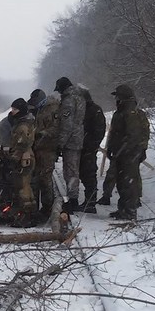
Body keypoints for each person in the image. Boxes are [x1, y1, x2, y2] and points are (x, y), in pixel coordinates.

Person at [106, 84, 150, 220]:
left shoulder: (131, 113)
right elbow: (114, 134)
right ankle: (123, 208)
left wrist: (122, 150)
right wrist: (110, 149)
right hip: (121, 153)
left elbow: (133, 135)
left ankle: (130, 211)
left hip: (130, 154)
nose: (116, 99)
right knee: (121, 182)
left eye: (118, 96)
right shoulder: (119, 113)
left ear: (123, 97)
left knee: (129, 182)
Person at [55, 77, 86, 214]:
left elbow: (66, 125)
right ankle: (73, 199)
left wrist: (60, 143)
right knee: (73, 170)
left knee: (70, 171)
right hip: (78, 138)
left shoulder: (68, 101)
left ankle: (72, 201)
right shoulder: (80, 97)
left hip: (70, 140)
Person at [28, 89, 60, 219]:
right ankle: (33, 206)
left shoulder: (53, 110)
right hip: (36, 148)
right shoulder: (38, 110)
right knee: (34, 178)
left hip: (48, 149)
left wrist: (43, 133)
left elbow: (56, 128)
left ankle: (47, 208)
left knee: (45, 179)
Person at [6, 98, 37, 228]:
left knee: (23, 188)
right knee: (25, 187)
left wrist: (13, 158)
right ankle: (27, 215)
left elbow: (22, 144)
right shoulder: (24, 122)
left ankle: (25, 218)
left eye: (15, 109)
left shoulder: (23, 126)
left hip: (24, 159)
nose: (12, 112)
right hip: (25, 157)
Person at [78, 89, 107, 213]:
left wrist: (92, 145)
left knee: (89, 174)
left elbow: (99, 130)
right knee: (84, 174)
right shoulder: (86, 110)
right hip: (83, 147)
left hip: (88, 148)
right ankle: (89, 201)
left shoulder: (94, 110)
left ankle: (90, 202)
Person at [0, 112, 15, 219]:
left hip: (10, 158)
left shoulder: (4, 124)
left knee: (5, 185)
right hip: (12, 159)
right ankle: (8, 209)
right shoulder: (5, 125)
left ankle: (5, 208)